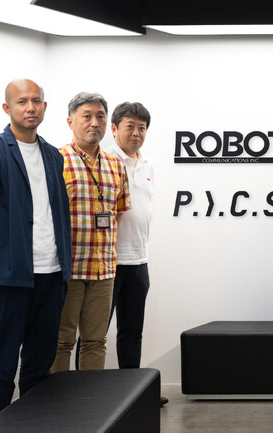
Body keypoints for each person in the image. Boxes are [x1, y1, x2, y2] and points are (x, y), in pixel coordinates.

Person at [0, 79, 71, 423]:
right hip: (7, 280)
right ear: (7, 108)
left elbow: (58, 212)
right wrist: (1, 258)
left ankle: (33, 427)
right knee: (2, 363)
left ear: (45, 107)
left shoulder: (53, 156)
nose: (30, 108)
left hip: (51, 276)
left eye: (36, 101)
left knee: (39, 366)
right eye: (22, 101)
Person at [51, 92, 131, 372]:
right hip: (68, 270)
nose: (94, 123)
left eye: (100, 116)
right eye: (87, 116)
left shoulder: (115, 164)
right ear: (70, 121)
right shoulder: (56, 160)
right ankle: (57, 397)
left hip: (104, 269)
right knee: (61, 341)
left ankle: (89, 398)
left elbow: (118, 211)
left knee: (96, 341)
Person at [105, 102, 167, 405]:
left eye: (142, 128)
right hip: (106, 262)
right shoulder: (104, 161)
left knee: (132, 332)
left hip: (138, 260)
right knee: (94, 336)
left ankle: (131, 396)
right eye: (130, 126)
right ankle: (86, 397)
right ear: (114, 128)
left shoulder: (147, 165)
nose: (136, 133)